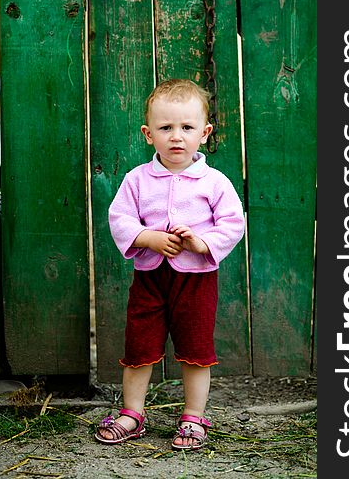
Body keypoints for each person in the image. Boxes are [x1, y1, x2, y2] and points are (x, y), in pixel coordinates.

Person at [95, 79, 245, 450]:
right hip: (149, 279)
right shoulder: (137, 180)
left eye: (187, 128)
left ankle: (193, 417)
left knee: (195, 350)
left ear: (204, 133)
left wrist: (199, 242)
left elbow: (233, 223)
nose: (176, 137)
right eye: (165, 128)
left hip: (196, 281)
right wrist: (148, 238)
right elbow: (120, 218)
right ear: (149, 134)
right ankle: (132, 413)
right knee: (138, 347)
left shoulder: (214, 182)